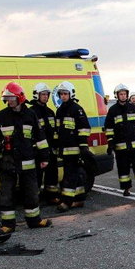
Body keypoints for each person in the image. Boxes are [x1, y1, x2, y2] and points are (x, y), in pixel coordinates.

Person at [0, 82, 52, 235]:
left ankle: (34, 220)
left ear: (20, 98)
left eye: (11, 98)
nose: (9, 101)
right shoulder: (2, 116)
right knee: (6, 193)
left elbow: (40, 138)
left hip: (28, 160)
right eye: (7, 99)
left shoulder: (30, 115)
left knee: (31, 191)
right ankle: (8, 225)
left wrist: (45, 157)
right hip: (8, 161)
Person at [105, 84, 135, 196]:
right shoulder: (113, 110)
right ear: (117, 95)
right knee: (123, 168)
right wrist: (110, 143)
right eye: (121, 94)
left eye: (124, 94)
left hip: (134, 144)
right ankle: (126, 189)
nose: (123, 96)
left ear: (127, 95)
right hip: (120, 145)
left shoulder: (134, 109)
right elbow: (109, 128)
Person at [54, 81, 92, 211]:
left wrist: (82, 147)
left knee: (69, 175)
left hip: (75, 149)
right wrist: (57, 147)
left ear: (71, 94)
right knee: (75, 174)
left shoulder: (77, 109)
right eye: (61, 94)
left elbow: (84, 128)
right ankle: (79, 199)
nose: (63, 96)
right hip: (64, 149)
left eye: (65, 93)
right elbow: (57, 131)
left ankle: (67, 201)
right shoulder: (60, 111)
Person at [30, 83, 60, 204]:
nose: (45, 97)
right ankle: (35, 199)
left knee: (52, 174)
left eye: (47, 94)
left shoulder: (50, 112)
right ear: (37, 95)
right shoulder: (31, 112)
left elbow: (55, 131)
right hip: (37, 150)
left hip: (50, 149)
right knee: (36, 176)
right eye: (43, 94)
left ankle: (52, 196)